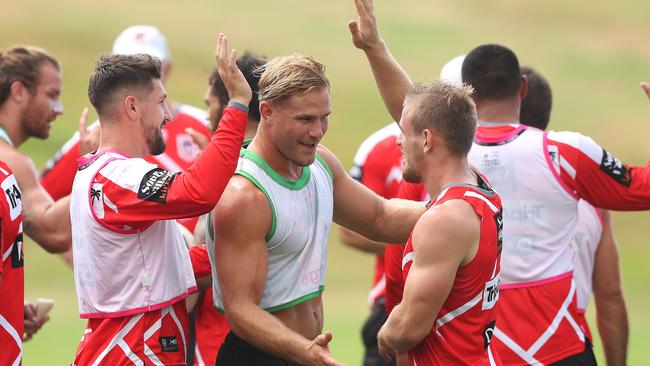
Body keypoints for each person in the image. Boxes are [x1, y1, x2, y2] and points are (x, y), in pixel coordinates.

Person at [350, 0, 650, 361]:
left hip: (474, 349)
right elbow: (643, 189)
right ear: (521, 88)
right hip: (557, 347)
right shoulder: (564, 152)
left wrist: (376, 48)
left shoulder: (450, 155)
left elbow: (412, 114)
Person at [210, 53, 424, 366]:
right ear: (267, 112)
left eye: (324, 117)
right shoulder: (246, 196)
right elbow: (240, 311)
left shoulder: (321, 163)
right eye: (305, 120)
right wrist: (305, 353)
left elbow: (380, 216)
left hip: (305, 352)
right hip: (259, 358)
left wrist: (457, 207)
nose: (318, 130)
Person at [69, 34, 250, 365]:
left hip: (130, 343)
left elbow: (160, 267)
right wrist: (237, 104)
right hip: (134, 348)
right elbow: (198, 192)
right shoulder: (119, 177)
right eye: (161, 101)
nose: (168, 115)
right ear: (133, 106)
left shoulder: (99, 172)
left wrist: (246, 248)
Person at [40, 25, 211, 233]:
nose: (139, 75)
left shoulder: (205, 123)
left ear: (167, 69)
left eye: (149, 65)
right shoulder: (95, 137)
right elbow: (41, 215)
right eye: (129, 65)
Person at [519, 65, 629, 366]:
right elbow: (610, 296)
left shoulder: (475, 186)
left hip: (494, 350)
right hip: (568, 350)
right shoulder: (594, 203)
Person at [188, 52, 266, 366]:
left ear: (231, 104)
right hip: (287, 343)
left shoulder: (229, 185)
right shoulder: (290, 173)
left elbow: (199, 268)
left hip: (220, 347)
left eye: (209, 105)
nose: (207, 116)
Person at [337, 121, 401, 366]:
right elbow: (350, 231)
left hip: (473, 304)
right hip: (393, 303)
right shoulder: (379, 146)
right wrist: (430, 246)